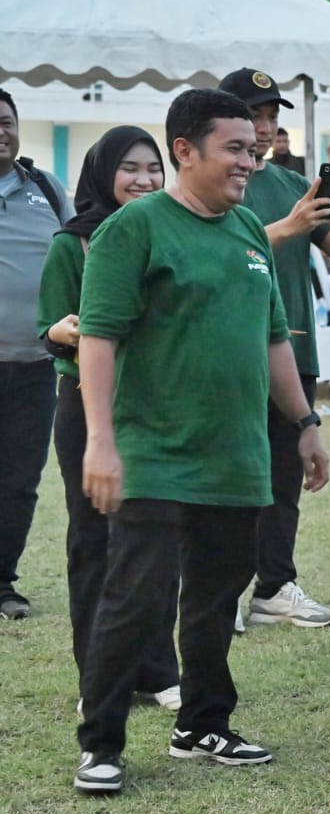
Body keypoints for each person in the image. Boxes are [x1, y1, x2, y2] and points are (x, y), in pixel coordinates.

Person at [73, 88, 330, 794]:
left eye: (253, 147)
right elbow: (98, 337)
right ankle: (101, 744)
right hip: (155, 456)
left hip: (236, 458)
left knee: (217, 601)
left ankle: (202, 723)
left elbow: (273, 338)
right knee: (136, 601)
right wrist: (101, 440)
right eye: (235, 148)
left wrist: (305, 423)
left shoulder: (248, 229)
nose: (250, 160)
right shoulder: (135, 229)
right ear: (185, 151)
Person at [36, 126, 181, 710]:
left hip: (157, 407)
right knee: (94, 541)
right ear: (102, 173)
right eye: (130, 168)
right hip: (87, 406)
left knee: (157, 538)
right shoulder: (73, 243)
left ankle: (158, 671)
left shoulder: (173, 234)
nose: (145, 180)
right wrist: (66, 331)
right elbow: (49, 327)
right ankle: (99, 679)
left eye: (153, 168)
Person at [220, 67, 330, 630]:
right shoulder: (214, 184)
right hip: (230, 347)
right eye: (254, 115)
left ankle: (274, 588)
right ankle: (221, 590)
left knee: (283, 475)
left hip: (294, 347)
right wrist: (290, 224)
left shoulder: (289, 183)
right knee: (230, 474)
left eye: (272, 116)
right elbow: (224, 249)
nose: (265, 127)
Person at [0, 86, 69, 620]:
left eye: (6, 121)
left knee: (19, 482)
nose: (0, 132)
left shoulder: (46, 189)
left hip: (34, 365)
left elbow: (81, 248)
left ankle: (2, 582)